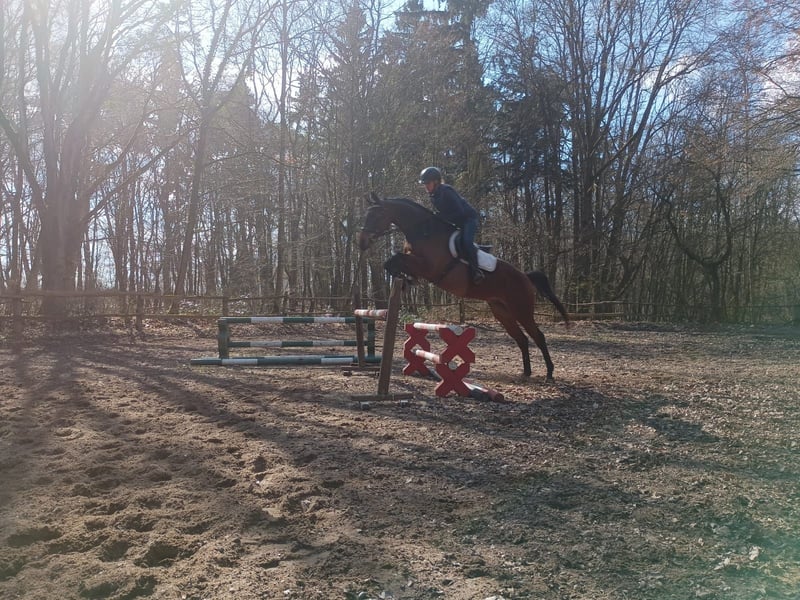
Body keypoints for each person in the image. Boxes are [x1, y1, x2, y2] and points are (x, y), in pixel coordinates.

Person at [419, 166, 484, 283]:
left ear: (436, 182)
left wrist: (442, 217)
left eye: (428, 183)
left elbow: (460, 211)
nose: (426, 186)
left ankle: (476, 271)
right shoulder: (433, 196)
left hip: (468, 219)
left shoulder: (447, 191)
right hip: (457, 221)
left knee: (466, 242)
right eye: (424, 184)